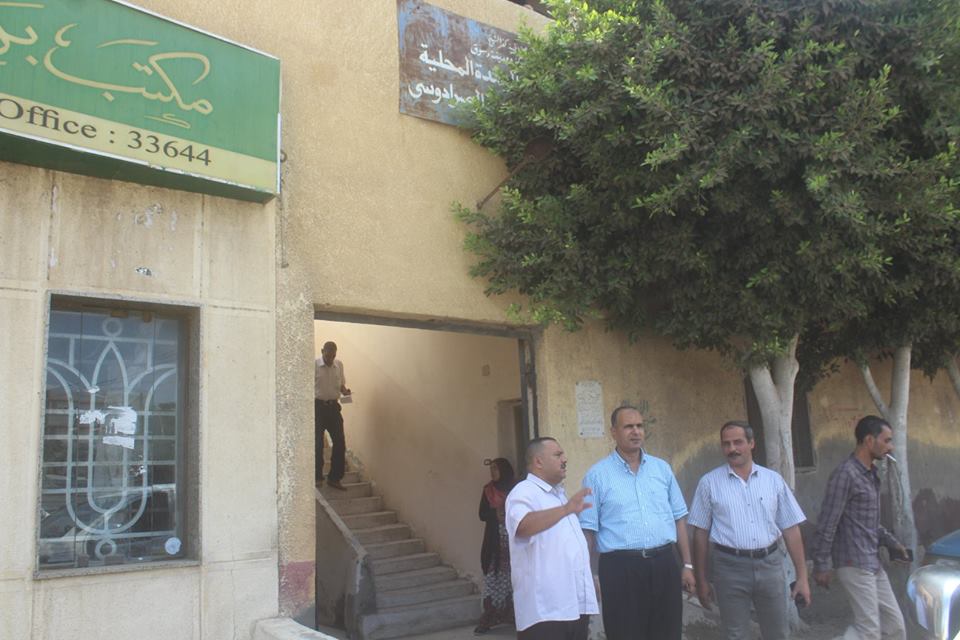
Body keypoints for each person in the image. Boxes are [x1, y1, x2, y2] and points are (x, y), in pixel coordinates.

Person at [579, 405, 695, 640]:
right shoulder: (597, 475)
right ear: (614, 432)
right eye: (628, 427)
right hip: (620, 569)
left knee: (667, 632)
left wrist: (687, 565)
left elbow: (679, 518)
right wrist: (590, 575)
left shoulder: (661, 469)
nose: (636, 431)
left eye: (640, 426)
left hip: (664, 563)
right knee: (625, 633)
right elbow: (588, 532)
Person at [688, 421, 810, 640]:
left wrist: (802, 577)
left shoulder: (773, 480)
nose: (732, 449)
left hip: (770, 564)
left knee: (778, 632)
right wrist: (702, 579)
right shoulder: (709, 483)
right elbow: (700, 534)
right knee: (735, 634)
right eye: (726, 444)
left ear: (751, 443)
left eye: (738, 442)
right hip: (729, 568)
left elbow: (791, 528)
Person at [812, 415, 908, 640]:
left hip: (872, 561)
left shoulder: (871, 474)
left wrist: (893, 543)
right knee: (869, 631)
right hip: (852, 562)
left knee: (895, 627)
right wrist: (821, 564)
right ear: (869, 440)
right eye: (887, 440)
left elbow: (868, 522)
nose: (891, 447)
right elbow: (827, 521)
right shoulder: (845, 474)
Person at [506, 437, 599, 640]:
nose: (565, 459)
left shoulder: (558, 495)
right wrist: (565, 510)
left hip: (573, 607)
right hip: (545, 612)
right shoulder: (524, 492)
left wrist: (588, 579)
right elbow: (522, 526)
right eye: (558, 455)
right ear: (538, 461)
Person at [475, 458, 517, 635]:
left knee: (514, 580)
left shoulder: (517, 489)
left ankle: (511, 614)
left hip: (514, 543)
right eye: (491, 469)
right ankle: (489, 617)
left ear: (504, 470)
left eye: (496, 469)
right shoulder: (488, 490)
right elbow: (482, 514)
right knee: (493, 578)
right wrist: (495, 513)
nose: (492, 472)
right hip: (494, 544)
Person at [314, 341, 351, 490]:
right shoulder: (314, 365)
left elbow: (341, 385)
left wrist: (345, 391)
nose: (330, 359)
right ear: (322, 351)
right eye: (328, 356)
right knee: (317, 443)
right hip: (317, 407)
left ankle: (335, 478)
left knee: (340, 441)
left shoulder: (339, 365)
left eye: (333, 356)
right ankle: (317, 477)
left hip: (334, 408)